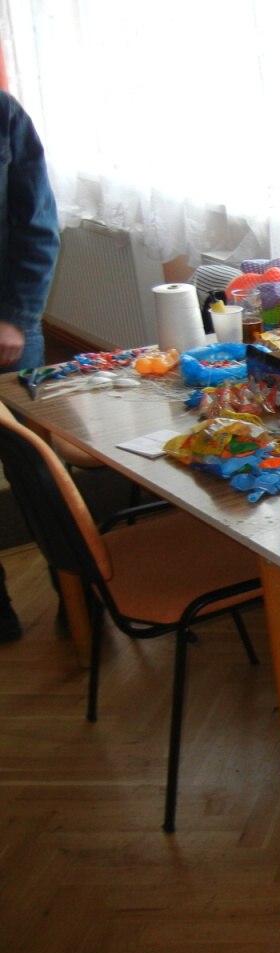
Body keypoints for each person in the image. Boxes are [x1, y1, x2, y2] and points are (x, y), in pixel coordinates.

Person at [0, 89, 60, 640]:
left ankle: (76, 593)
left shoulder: (4, 113)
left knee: (36, 466)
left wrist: (16, 318)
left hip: (9, 324)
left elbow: (38, 223)